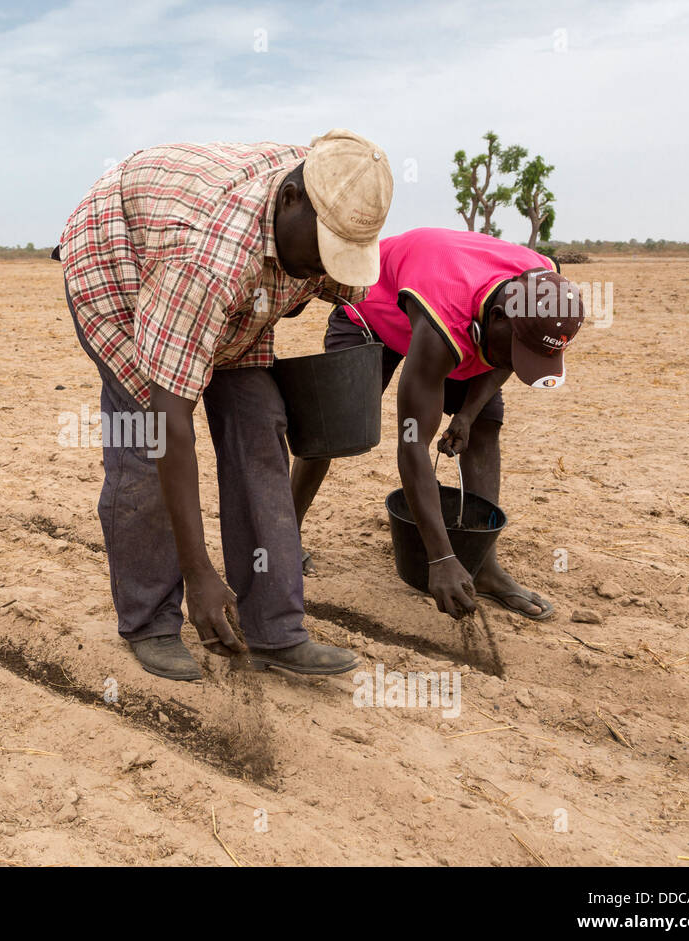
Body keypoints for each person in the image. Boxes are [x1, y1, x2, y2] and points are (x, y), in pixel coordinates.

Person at [58, 131, 393, 680]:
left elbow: (347, 292)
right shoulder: (207, 259)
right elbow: (172, 425)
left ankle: (276, 630)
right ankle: (150, 621)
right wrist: (200, 573)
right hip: (117, 267)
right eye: (322, 253)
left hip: (238, 298)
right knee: (145, 444)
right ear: (288, 202)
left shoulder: (337, 197)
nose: (323, 268)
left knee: (261, 432)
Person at [290, 227, 585, 620]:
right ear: (497, 318)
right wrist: (441, 557)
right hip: (373, 314)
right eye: (515, 354)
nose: (515, 366)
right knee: (335, 429)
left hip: (462, 319)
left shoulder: (542, 286)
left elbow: (507, 360)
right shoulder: (442, 316)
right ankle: (285, 537)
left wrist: (467, 414)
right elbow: (412, 442)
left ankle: (483, 567)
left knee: (484, 426)